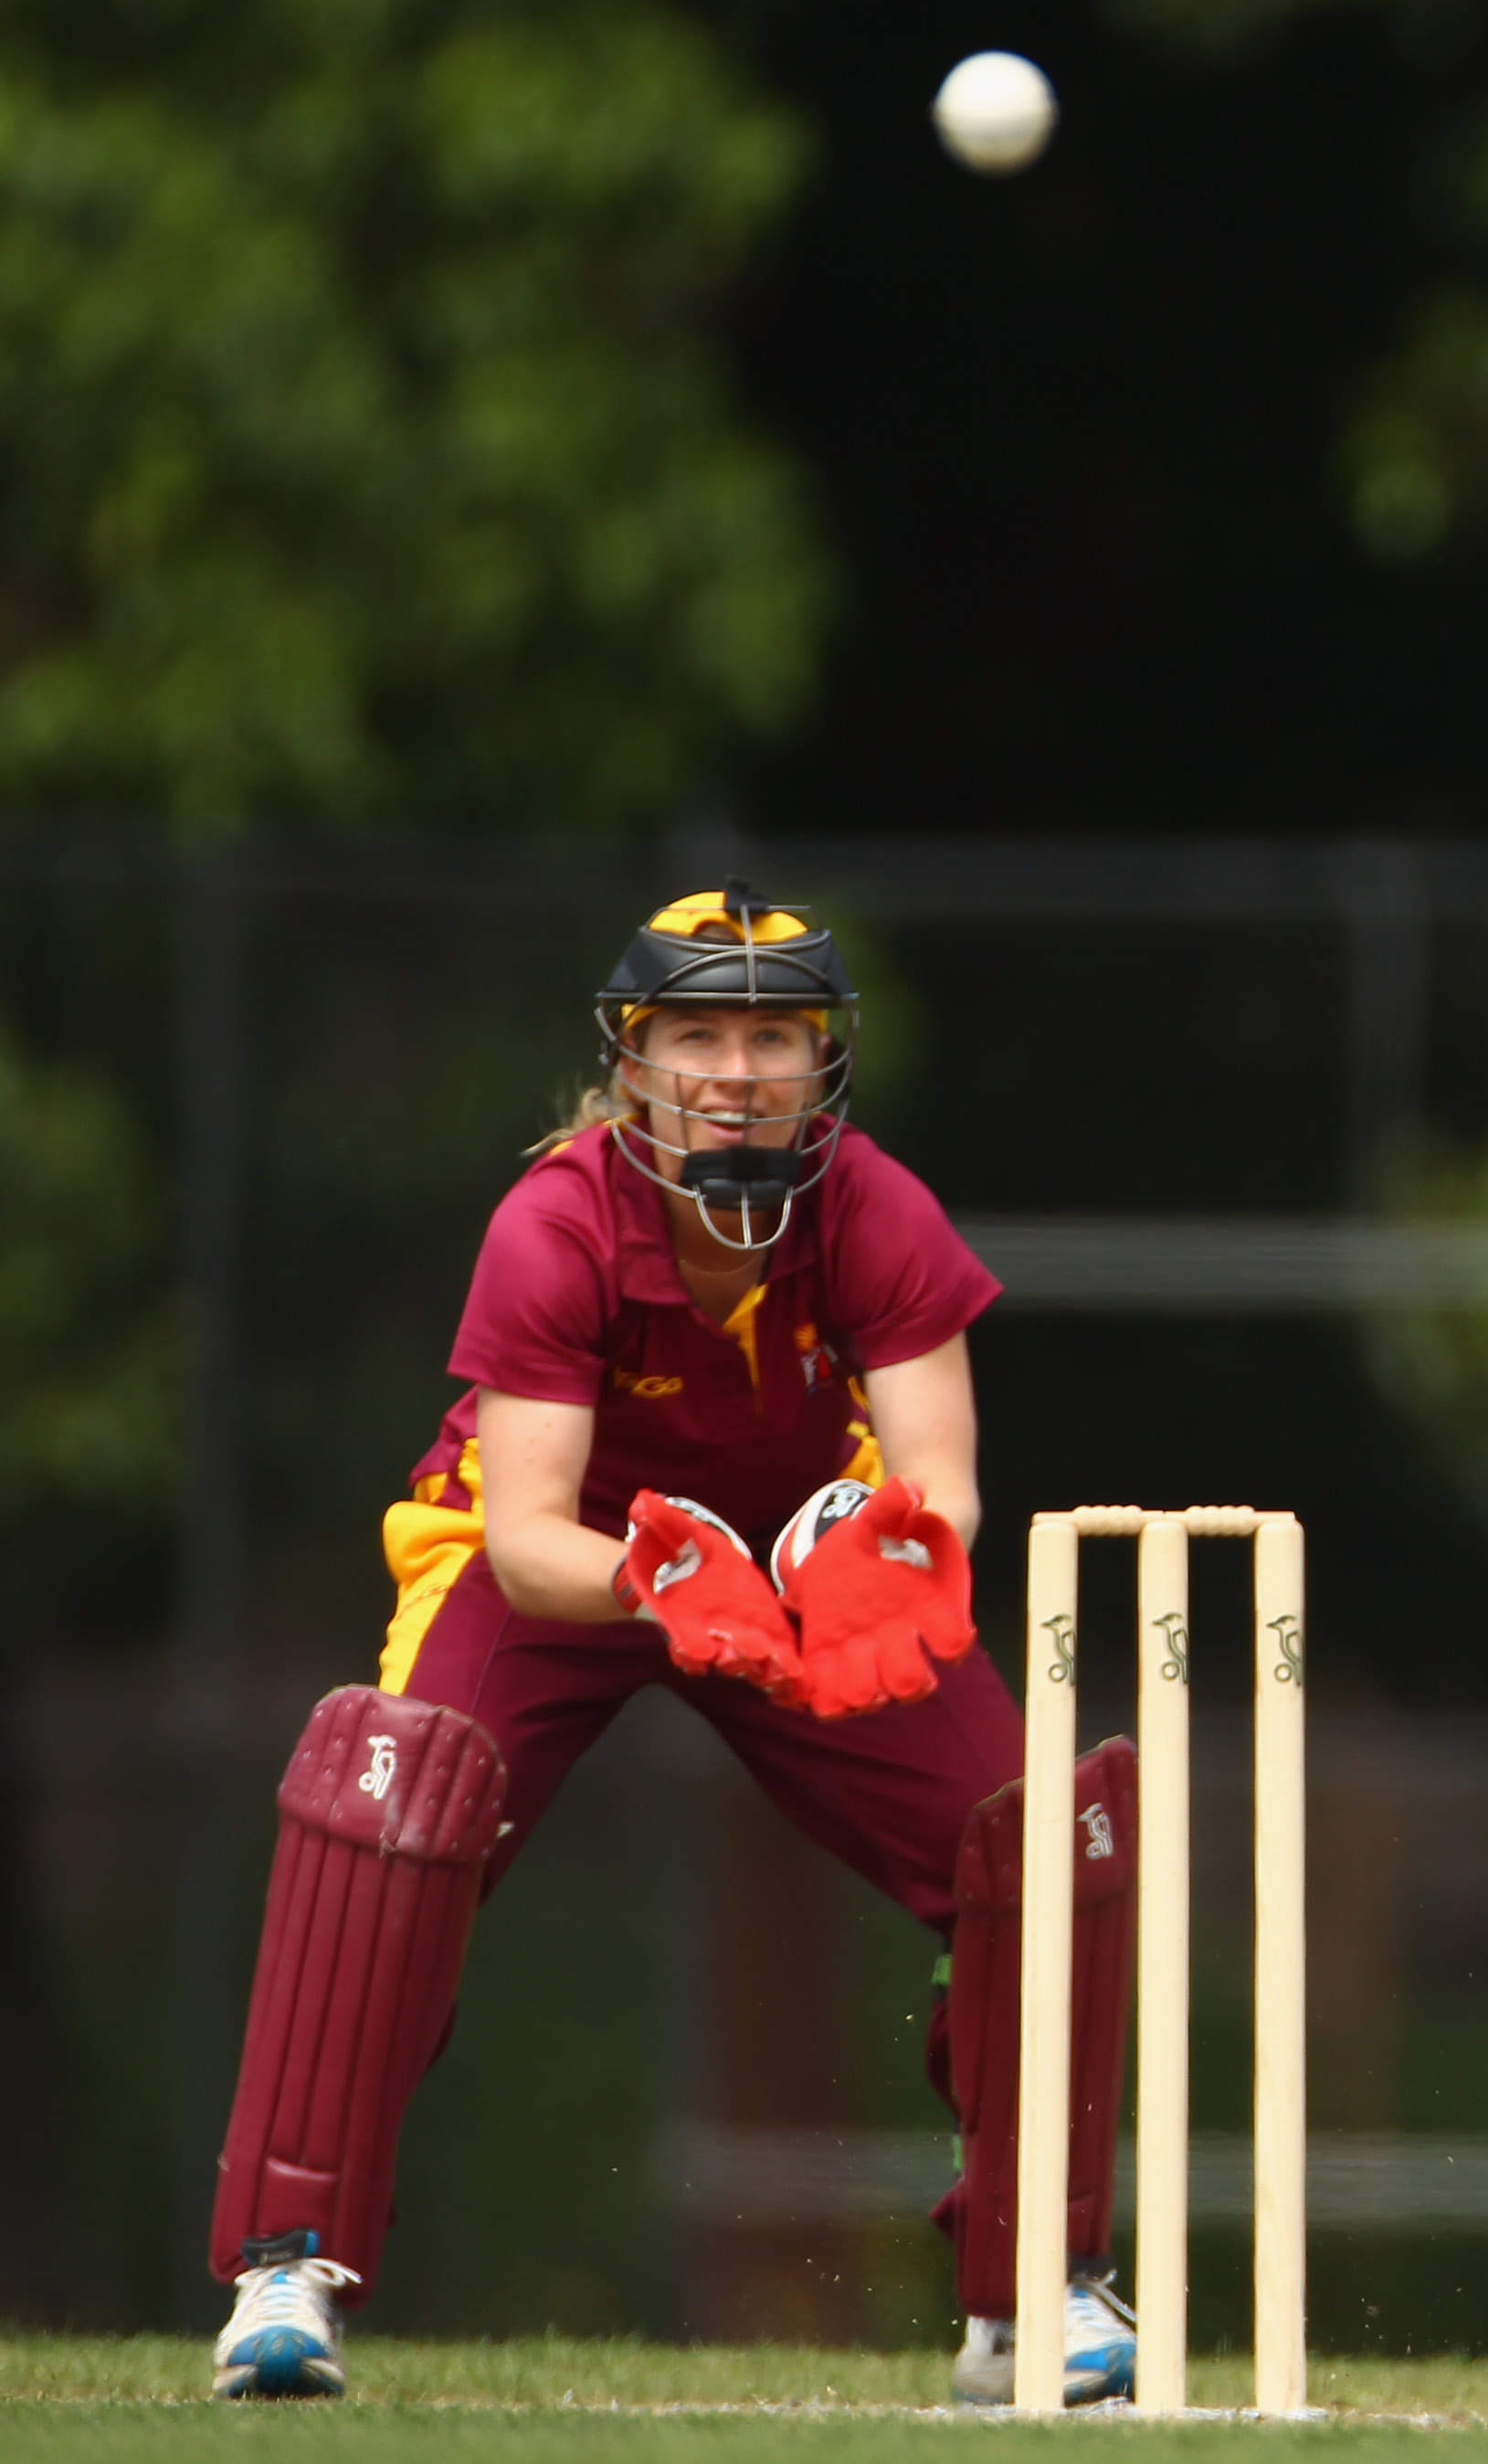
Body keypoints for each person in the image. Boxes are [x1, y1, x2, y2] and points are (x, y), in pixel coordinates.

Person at [205, 886, 1143, 2410]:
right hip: (565, 1562)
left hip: (794, 1566)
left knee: (1036, 1841)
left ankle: (1035, 2295)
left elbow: (946, 1487)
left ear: (823, 1060)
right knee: (394, 1812)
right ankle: (285, 2267)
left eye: (774, 1037)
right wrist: (669, 1589)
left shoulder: (876, 1207)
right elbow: (527, 1534)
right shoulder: (556, 1222)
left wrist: (878, 1562)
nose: (736, 1072)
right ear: (633, 1063)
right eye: (697, 1035)